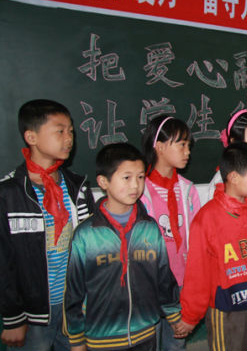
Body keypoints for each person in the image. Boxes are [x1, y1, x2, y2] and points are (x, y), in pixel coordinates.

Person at [64, 143, 184, 351]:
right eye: (126, 178)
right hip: (101, 338)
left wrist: (173, 314)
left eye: (140, 177)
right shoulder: (86, 234)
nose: (135, 185)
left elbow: (164, 277)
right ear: (103, 182)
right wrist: (76, 340)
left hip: (146, 332)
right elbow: (74, 292)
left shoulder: (149, 228)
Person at [0, 99, 95, 351]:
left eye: (71, 131)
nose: (69, 138)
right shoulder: (10, 193)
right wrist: (13, 319)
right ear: (31, 136)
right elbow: (4, 262)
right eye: (60, 131)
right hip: (34, 312)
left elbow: (90, 246)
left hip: (73, 303)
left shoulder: (77, 187)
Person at [179, 142, 247, 351]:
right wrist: (191, 315)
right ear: (234, 177)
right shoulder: (208, 218)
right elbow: (198, 272)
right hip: (224, 309)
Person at [140, 115, 201, 351]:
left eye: (188, 146)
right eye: (182, 144)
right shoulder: (140, 189)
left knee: (176, 344)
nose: (187, 152)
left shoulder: (187, 190)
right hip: (150, 285)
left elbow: (195, 242)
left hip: (182, 284)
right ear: (160, 146)